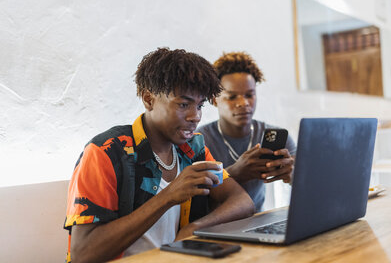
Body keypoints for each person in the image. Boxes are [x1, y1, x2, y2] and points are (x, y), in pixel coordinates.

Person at [64, 48, 255, 263]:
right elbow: (83, 254)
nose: (196, 116)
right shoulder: (106, 152)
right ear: (149, 99)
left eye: (199, 105)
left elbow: (242, 201)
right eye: (184, 104)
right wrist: (168, 197)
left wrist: (195, 228)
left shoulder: (193, 149)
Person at [197, 52, 296, 212]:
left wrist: (292, 176)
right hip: (213, 228)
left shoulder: (274, 135)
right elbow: (193, 200)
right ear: (214, 99)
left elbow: (306, 182)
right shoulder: (199, 140)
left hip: (257, 222)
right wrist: (233, 173)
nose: (243, 103)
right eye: (232, 96)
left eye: (249, 95)